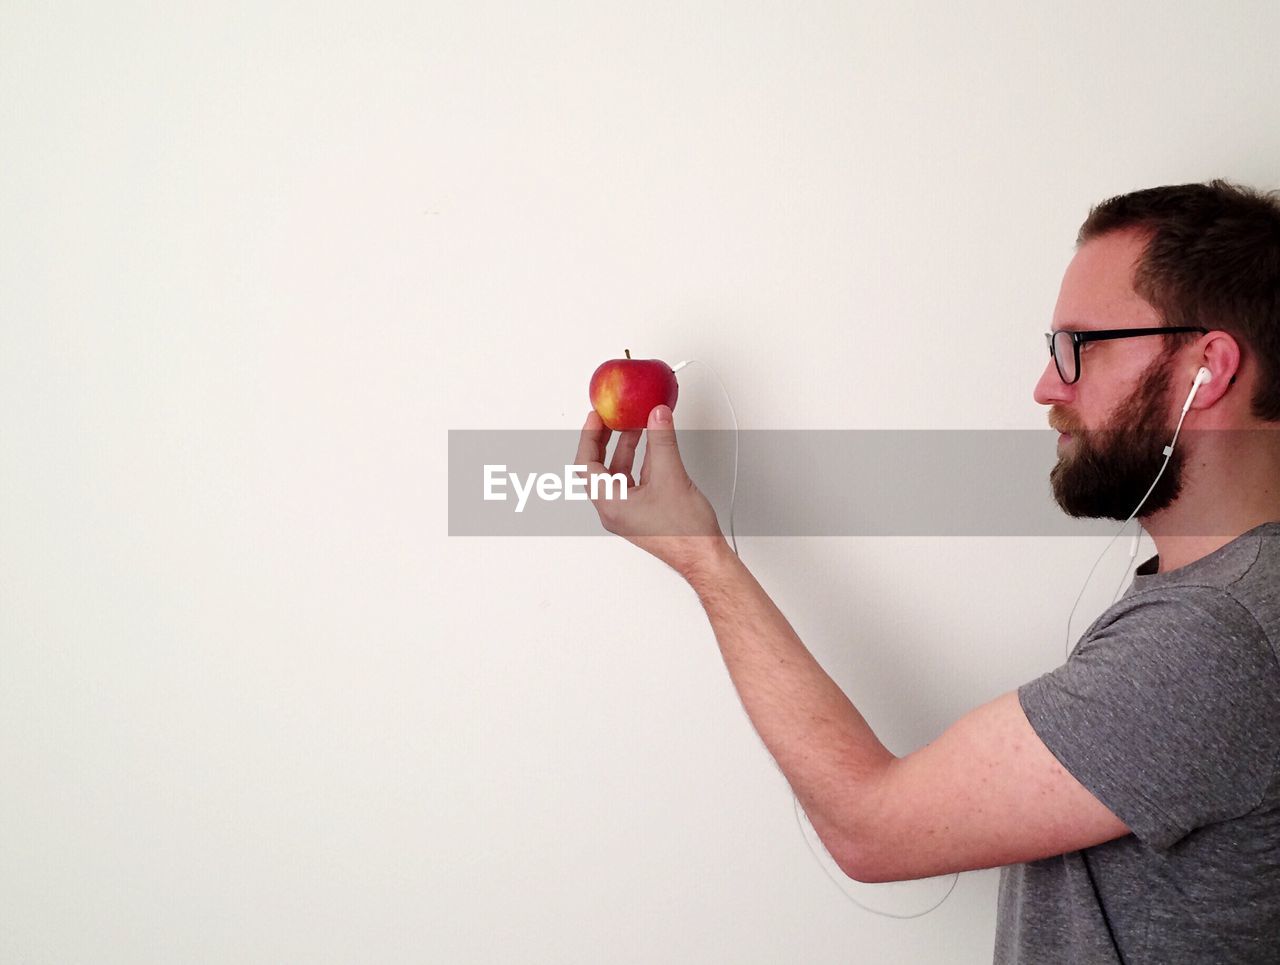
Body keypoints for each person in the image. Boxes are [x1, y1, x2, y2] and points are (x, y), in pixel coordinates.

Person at [573, 179, 1280, 963]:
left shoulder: (1216, 638)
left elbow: (869, 828)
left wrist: (700, 555)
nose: (1048, 385)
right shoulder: (1225, 601)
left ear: (1206, 367)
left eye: (1081, 345)